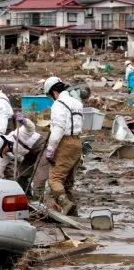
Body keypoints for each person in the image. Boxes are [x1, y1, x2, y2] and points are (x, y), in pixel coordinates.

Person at [44, 76, 83, 215]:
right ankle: (74, 213)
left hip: (64, 143)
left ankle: (65, 204)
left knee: (55, 179)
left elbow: (58, 128)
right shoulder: (77, 102)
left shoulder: (58, 104)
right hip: (78, 142)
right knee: (68, 183)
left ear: (54, 92)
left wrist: (50, 149)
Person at [0, 112, 47, 193]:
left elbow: (31, 128)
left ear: (1, 146)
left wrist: (24, 121)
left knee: (39, 178)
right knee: (20, 176)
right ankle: (26, 197)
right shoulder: (5, 154)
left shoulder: (17, 134)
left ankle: (40, 200)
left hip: (41, 148)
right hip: (30, 155)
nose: (0, 155)